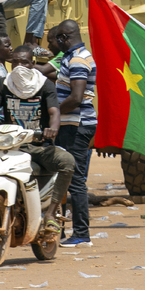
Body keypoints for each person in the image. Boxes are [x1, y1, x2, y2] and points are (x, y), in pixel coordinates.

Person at [0, 44, 73, 232]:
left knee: (67, 162)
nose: (20, 67)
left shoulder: (45, 85)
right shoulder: (4, 84)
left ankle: (51, 213)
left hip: (39, 146)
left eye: (25, 63)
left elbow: (54, 112)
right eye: (16, 63)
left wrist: (52, 129)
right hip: (12, 146)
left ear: (33, 63)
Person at [55, 20, 99, 245]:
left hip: (77, 125)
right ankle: (59, 231)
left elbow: (76, 97)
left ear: (64, 38)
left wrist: (53, 113)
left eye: (57, 39)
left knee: (75, 180)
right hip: (71, 125)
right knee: (64, 177)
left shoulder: (78, 60)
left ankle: (81, 233)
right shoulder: (72, 57)